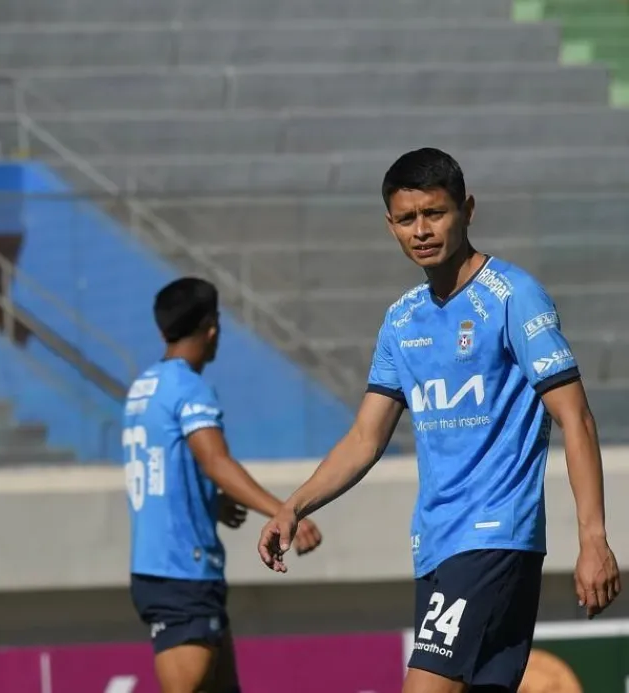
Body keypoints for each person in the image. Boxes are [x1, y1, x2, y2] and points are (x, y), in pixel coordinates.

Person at [257, 147, 620, 693]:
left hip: (493, 538)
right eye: (407, 219)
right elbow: (364, 437)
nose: (421, 230)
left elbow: (576, 418)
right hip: (435, 544)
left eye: (435, 213)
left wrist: (594, 537)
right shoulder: (403, 319)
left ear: (467, 209)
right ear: (390, 224)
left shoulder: (513, 296)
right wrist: (292, 506)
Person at [124, 277, 322, 693]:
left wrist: (210, 504)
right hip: (180, 572)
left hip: (166, 567)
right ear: (212, 327)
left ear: (162, 330)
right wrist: (284, 512)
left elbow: (164, 469)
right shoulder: (188, 387)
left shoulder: (144, 387)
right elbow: (214, 460)